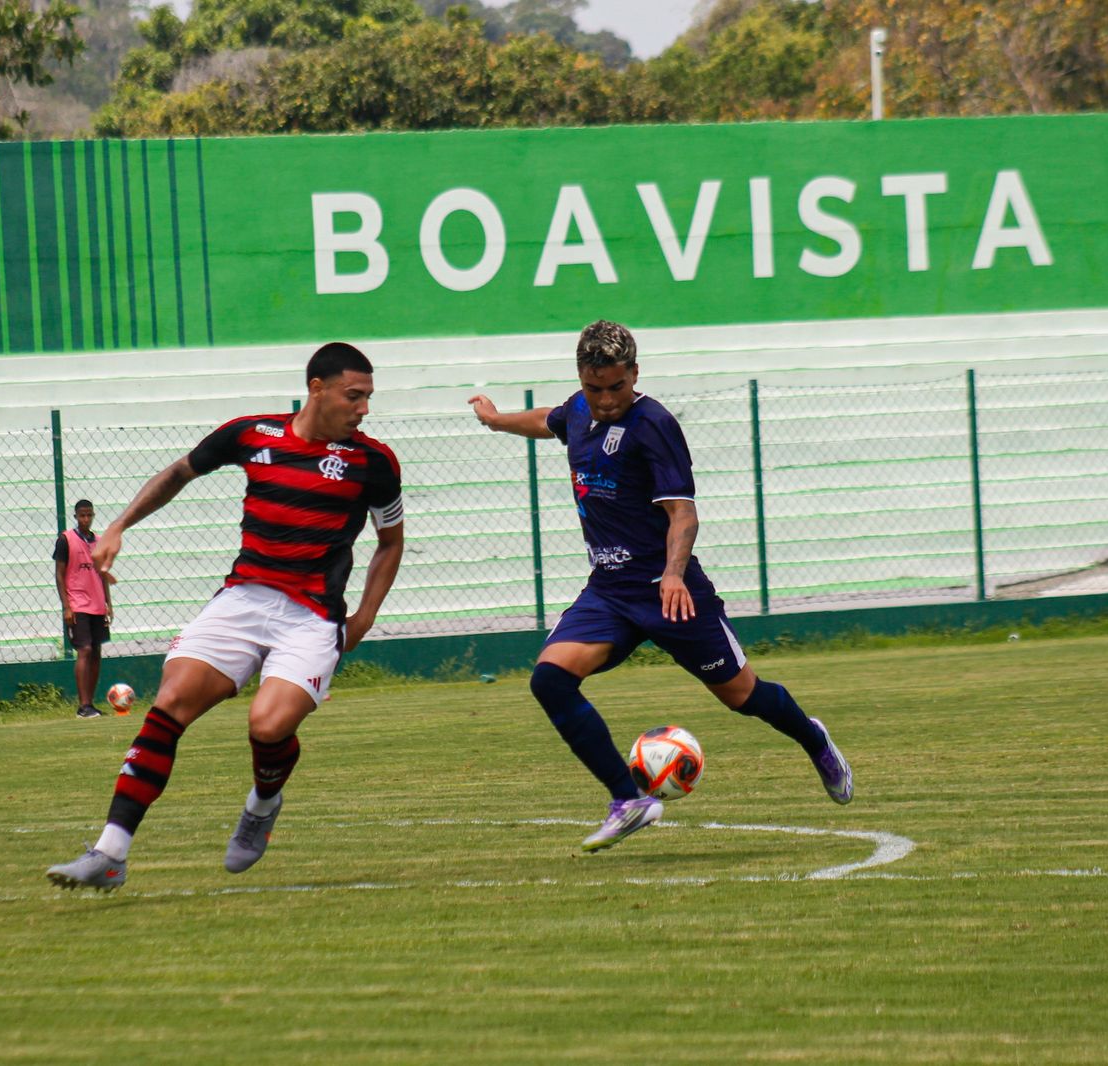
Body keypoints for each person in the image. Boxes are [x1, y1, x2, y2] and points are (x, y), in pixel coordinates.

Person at [467, 320, 852, 854]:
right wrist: (495, 420)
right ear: (581, 379)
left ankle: (814, 739)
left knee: (744, 697)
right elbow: (548, 420)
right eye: (594, 387)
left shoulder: (655, 425)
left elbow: (682, 514)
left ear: (635, 374)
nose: (604, 400)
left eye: (616, 387)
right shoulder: (579, 410)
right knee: (550, 680)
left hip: (671, 592)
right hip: (608, 591)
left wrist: (672, 573)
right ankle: (629, 800)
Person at [47, 342, 405, 892]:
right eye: (354, 397)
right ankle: (110, 853)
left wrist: (363, 617)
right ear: (317, 389)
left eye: (368, 399)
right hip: (243, 599)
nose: (363, 409)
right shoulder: (252, 434)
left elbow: (390, 542)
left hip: (311, 617)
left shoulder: (373, 463)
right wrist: (118, 526)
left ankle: (263, 802)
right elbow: (179, 472)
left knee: (266, 726)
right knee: (170, 702)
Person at [53, 498, 114, 718]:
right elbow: (60, 574)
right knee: (85, 650)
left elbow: (103, 573)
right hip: (78, 603)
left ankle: (91, 704)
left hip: (97, 604)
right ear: (76, 517)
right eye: (82, 515)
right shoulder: (66, 540)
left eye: (89, 515)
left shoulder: (99, 541)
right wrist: (66, 607)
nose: (86, 519)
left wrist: (108, 604)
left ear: (93, 515)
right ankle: (83, 705)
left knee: (96, 651)